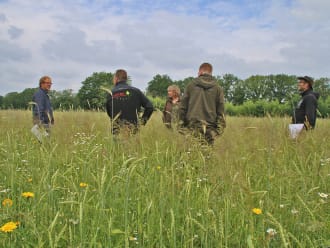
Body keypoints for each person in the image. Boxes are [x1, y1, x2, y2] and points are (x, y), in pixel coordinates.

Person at [179, 63, 226, 145]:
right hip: (210, 131)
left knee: (190, 156)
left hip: (191, 129)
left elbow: (182, 108)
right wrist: (216, 132)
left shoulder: (190, 86)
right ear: (211, 72)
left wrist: (182, 128)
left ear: (200, 72)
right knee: (207, 156)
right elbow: (221, 113)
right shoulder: (218, 89)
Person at [106, 69, 154, 134]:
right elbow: (150, 107)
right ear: (126, 79)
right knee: (133, 144)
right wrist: (142, 122)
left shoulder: (111, 93)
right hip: (133, 130)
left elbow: (109, 112)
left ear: (116, 78)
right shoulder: (136, 91)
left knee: (117, 144)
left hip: (117, 130)